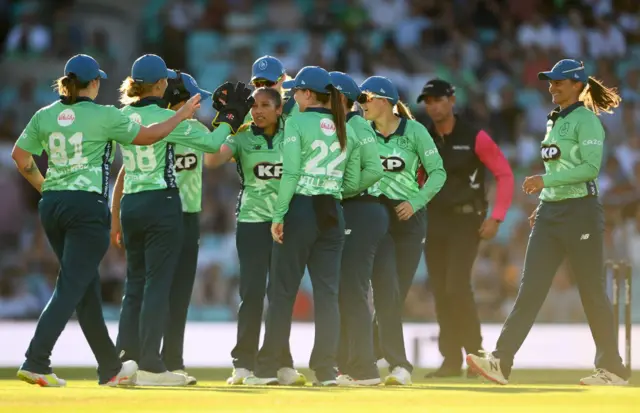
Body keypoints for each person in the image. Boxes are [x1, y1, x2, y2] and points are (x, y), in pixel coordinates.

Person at [11, 54, 200, 387]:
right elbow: (148, 136)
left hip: (52, 204)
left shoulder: (46, 114)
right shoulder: (106, 116)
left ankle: (110, 368)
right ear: (94, 83)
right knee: (72, 285)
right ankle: (36, 359)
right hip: (86, 208)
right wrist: (182, 114)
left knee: (84, 288)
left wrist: (47, 187)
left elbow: (20, 156)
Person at [467, 59, 629, 386]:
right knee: (530, 289)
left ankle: (613, 368)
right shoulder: (554, 120)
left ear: (576, 85)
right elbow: (558, 173)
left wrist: (544, 183)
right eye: (550, 82)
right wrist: (544, 202)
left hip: (580, 212)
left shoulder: (586, 121)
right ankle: (501, 361)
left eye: (558, 82)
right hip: (551, 213)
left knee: (591, 291)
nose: (552, 87)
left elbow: (589, 169)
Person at [111, 54, 253, 386]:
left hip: (133, 204)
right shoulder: (178, 123)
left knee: (135, 287)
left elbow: (122, 172)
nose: (197, 104)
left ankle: (124, 360)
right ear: (166, 90)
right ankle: (151, 363)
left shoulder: (123, 115)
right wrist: (230, 119)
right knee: (161, 288)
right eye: (191, 98)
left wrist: (114, 217)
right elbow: (216, 146)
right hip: (165, 207)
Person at [245, 66, 361, 386]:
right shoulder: (344, 125)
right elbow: (352, 178)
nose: (292, 95)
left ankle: (267, 369)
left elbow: (291, 174)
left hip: (301, 209)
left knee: (282, 292)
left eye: (296, 91)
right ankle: (326, 371)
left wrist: (279, 214)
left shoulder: (296, 122)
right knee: (327, 294)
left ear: (308, 94)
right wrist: (334, 191)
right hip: (332, 211)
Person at [204, 87, 306, 386]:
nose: (259, 111)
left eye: (265, 105)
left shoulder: (294, 134)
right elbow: (211, 161)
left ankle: (281, 362)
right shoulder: (244, 136)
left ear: (279, 109)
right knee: (251, 294)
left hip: (286, 224)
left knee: (281, 296)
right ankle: (243, 364)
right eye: (255, 106)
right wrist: (227, 122)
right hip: (252, 222)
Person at [417, 79, 514, 378]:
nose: (433, 106)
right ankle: (450, 361)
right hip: (434, 221)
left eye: (438, 100)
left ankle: (474, 355)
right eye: (428, 101)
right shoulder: (424, 137)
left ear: (452, 99)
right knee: (442, 291)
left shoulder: (475, 136)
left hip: (465, 220)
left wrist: (496, 217)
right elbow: (418, 177)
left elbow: (505, 175)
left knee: (455, 286)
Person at [360, 76, 446, 385]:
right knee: (386, 290)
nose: (361, 105)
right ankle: (399, 365)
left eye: (366, 99)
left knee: (394, 294)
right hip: (375, 216)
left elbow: (438, 173)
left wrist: (416, 201)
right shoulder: (362, 130)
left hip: (409, 218)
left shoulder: (415, 132)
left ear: (383, 100)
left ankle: (367, 358)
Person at [328, 71, 386, 386]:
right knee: (345, 291)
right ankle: (347, 365)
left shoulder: (356, 124)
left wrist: (344, 192)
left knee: (352, 291)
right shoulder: (347, 125)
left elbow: (374, 169)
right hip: (355, 210)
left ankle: (364, 369)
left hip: (361, 210)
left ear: (340, 98)